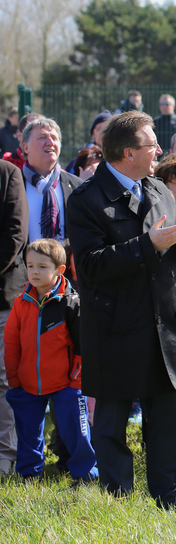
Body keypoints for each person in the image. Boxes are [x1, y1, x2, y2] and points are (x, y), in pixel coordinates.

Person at [66, 110, 176, 508]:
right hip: (114, 326)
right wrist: (149, 245)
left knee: (165, 420)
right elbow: (92, 265)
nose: (160, 151)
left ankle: (171, 498)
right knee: (111, 424)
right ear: (128, 151)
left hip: (164, 324)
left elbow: (174, 249)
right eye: (152, 145)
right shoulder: (84, 199)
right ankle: (118, 501)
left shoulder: (159, 189)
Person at [4, 238, 98, 481]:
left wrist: (76, 382)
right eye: (30, 265)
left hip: (66, 385)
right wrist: (14, 378)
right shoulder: (20, 303)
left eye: (42, 267)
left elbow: (82, 347)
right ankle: (29, 474)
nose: (34, 271)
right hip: (26, 384)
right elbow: (12, 344)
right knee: (28, 433)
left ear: (60, 270)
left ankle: (85, 475)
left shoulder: (71, 302)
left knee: (77, 433)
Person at [0, 160, 28, 475]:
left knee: (2, 380)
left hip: (2, 297)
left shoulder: (8, 174)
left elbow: (15, 234)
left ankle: (4, 456)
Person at [20, 118, 83, 243]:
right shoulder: (12, 185)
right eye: (42, 137)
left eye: (54, 138)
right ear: (25, 147)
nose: (50, 142)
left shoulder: (77, 186)